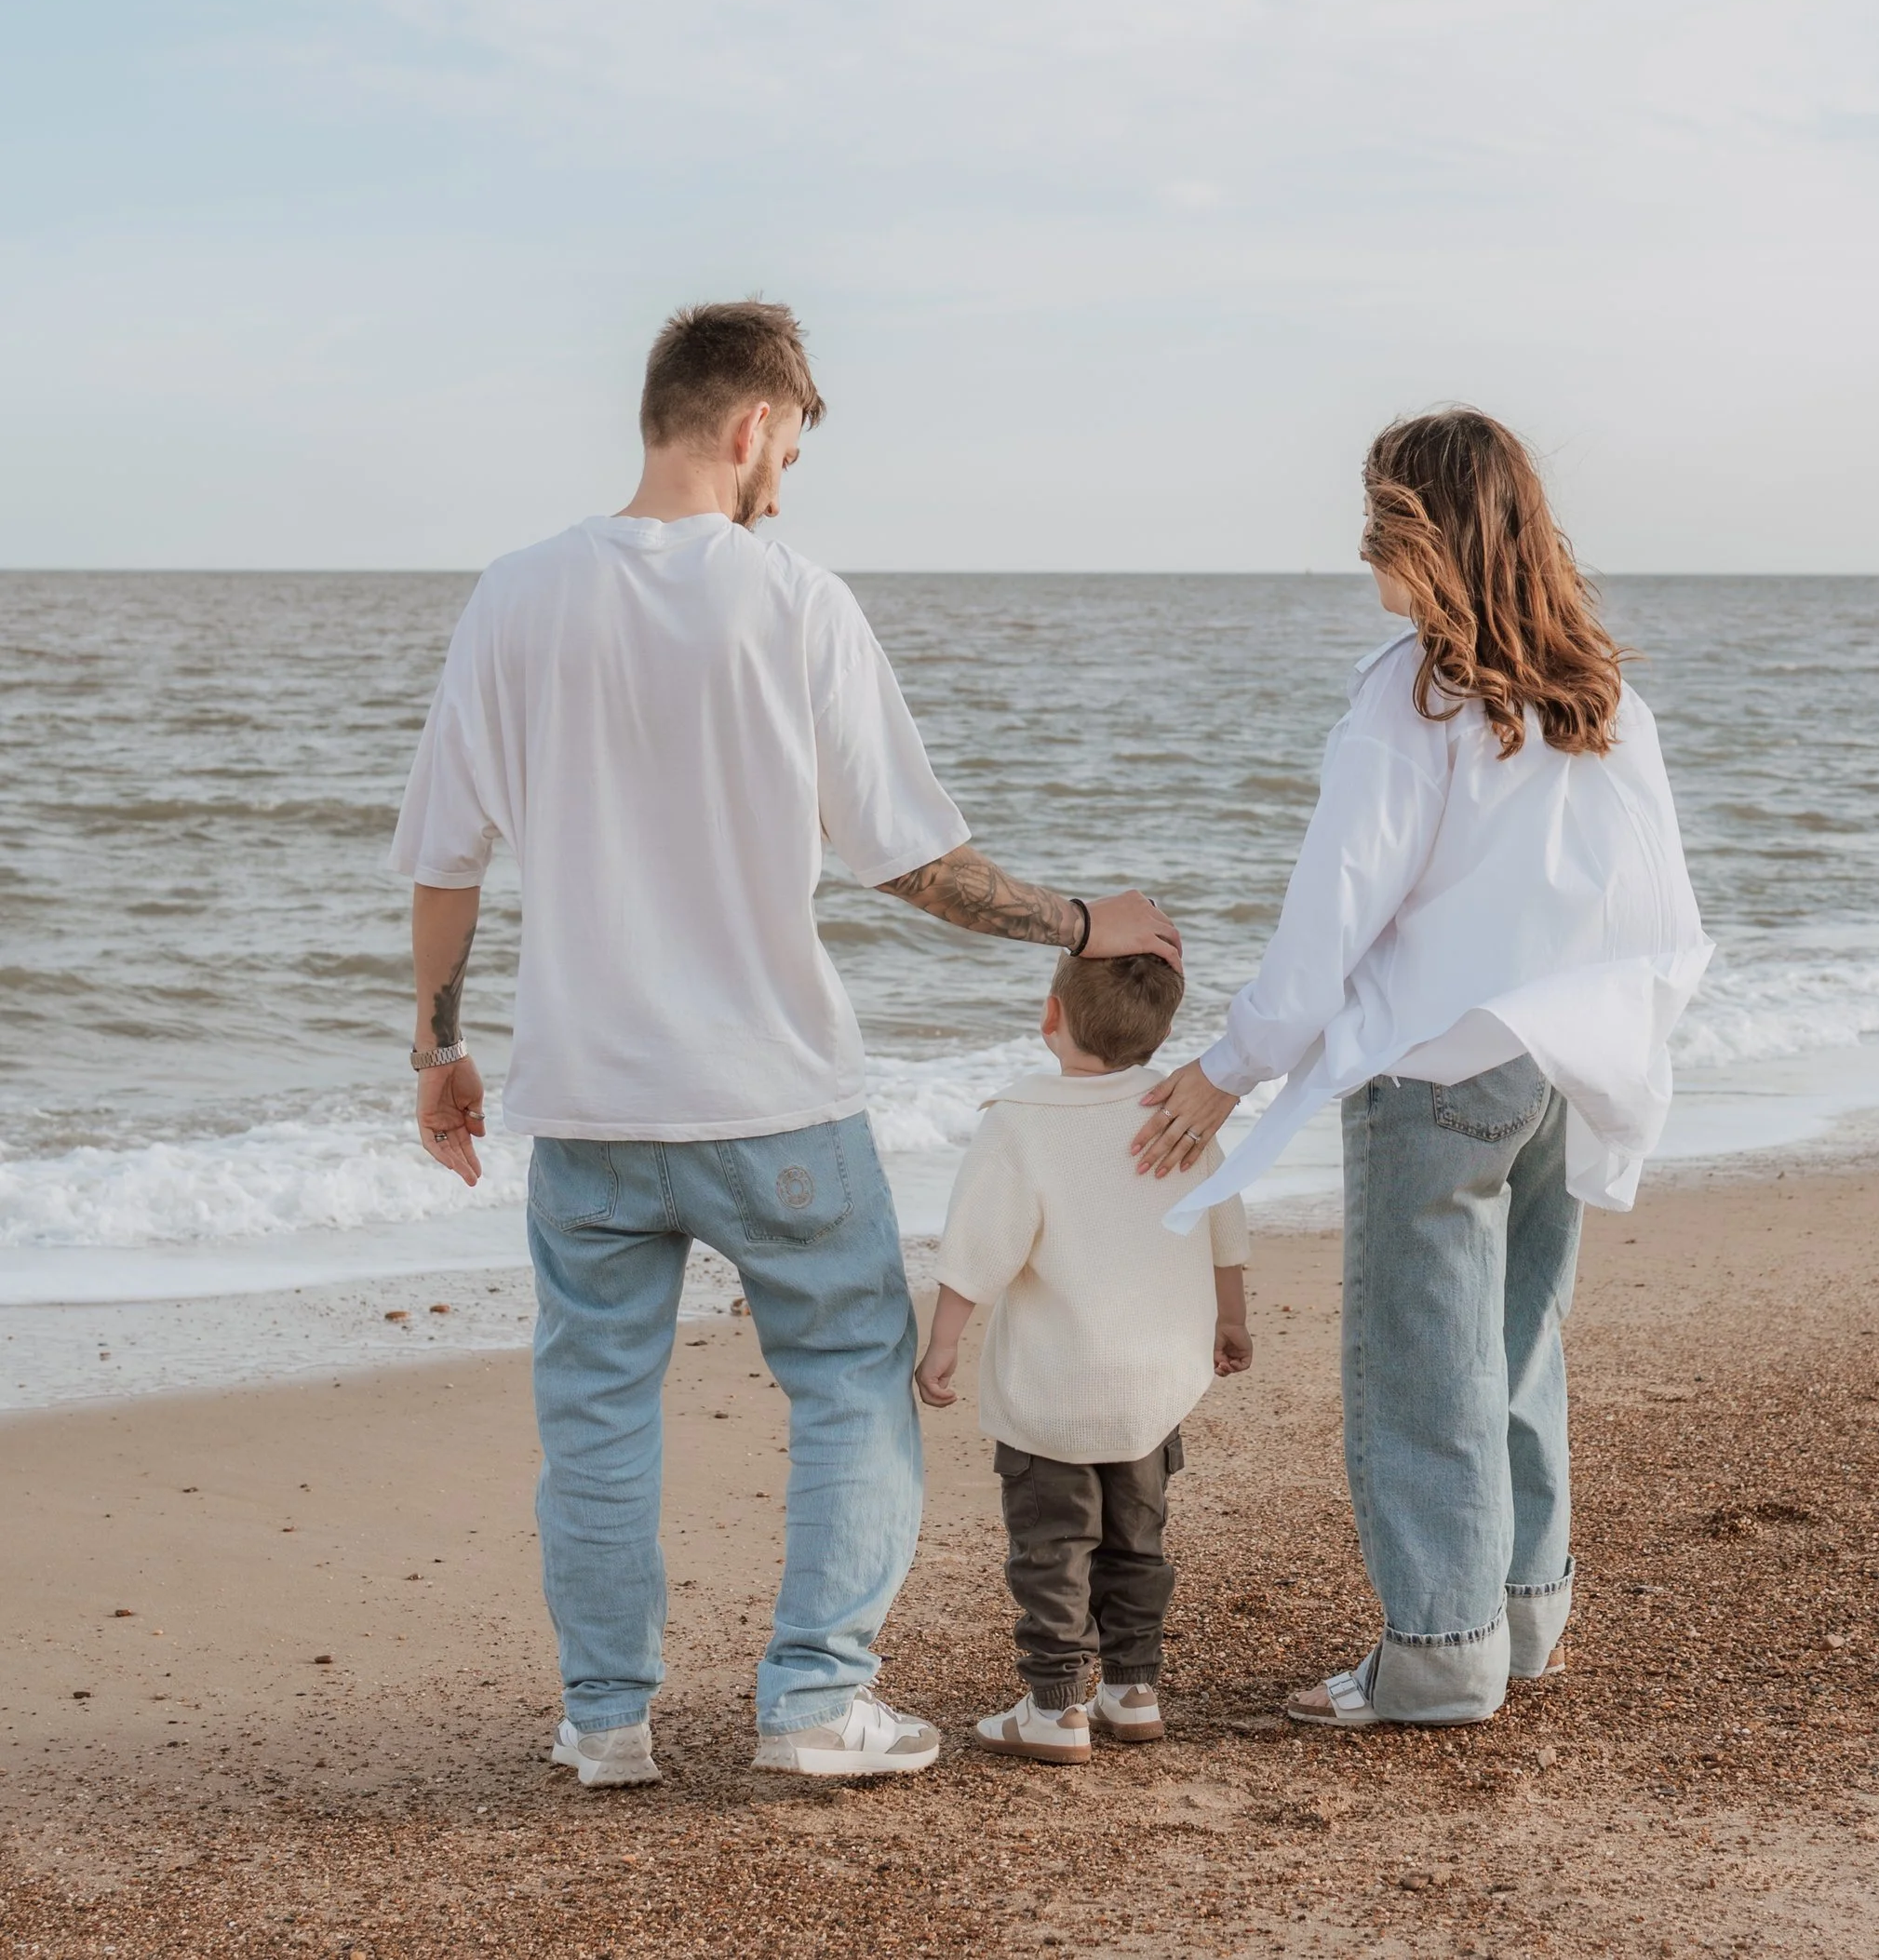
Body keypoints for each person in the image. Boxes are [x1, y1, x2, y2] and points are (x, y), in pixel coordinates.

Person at [388, 299, 1180, 1787]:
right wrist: (1086, 923)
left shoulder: (514, 598)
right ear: (751, 424)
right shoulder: (796, 600)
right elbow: (917, 865)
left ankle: (608, 1721)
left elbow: (446, 859)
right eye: (791, 452)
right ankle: (816, 1699)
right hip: (773, 1101)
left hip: (591, 1109)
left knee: (598, 1412)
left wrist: (436, 1051)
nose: (785, 485)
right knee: (849, 1382)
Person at [1134, 408, 1709, 1730]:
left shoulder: (1414, 692)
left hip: (1437, 1076)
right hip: (1558, 1064)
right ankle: (1522, 1621)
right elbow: (1654, 903)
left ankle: (1444, 1656)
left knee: (1418, 1368)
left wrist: (1232, 1066)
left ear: (1427, 530)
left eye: (1378, 513)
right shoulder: (1603, 695)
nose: (1359, 542)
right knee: (1512, 1351)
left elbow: (1335, 907)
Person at [913, 948, 1252, 1765]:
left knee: (1052, 1545)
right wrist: (1232, 1319)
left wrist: (944, 1342)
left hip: (1053, 1387)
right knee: (1139, 1538)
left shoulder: (1021, 1119)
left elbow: (979, 1245)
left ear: (1050, 1016)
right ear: (1163, 1029)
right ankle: (1133, 1689)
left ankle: (1054, 1705)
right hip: (1150, 1384)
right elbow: (1223, 1219)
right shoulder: (1181, 1111)